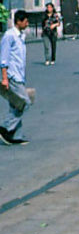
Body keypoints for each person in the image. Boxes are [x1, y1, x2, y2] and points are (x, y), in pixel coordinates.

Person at [0, 10, 31, 145]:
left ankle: (15, 136)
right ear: (18, 21)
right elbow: (4, 59)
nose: (27, 23)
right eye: (25, 21)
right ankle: (6, 128)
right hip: (12, 76)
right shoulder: (9, 36)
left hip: (20, 75)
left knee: (15, 106)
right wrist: (5, 78)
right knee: (24, 102)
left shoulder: (21, 36)